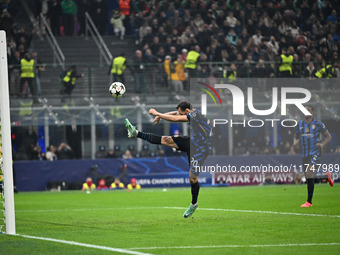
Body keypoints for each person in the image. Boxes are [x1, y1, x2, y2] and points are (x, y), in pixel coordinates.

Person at [125, 101, 212, 218]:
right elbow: (175, 113)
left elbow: (176, 119)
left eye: (181, 113)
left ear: (187, 111)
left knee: (192, 179)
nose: (179, 114)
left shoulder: (197, 115)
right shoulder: (191, 112)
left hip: (200, 150)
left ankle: (194, 203)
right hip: (191, 142)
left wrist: (158, 113)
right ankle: (135, 133)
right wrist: (160, 115)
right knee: (166, 139)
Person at [291, 105, 333, 208]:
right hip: (304, 154)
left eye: (309, 110)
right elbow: (296, 137)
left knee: (309, 173)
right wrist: (295, 143)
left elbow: (328, 136)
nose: (307, 111)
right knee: (309, 177)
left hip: (315, 153)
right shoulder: (300, 124)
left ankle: (309, 202)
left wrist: (322, 144)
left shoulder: (318, 124)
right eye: (305, 110)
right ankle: (325, 177)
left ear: (312, 112)